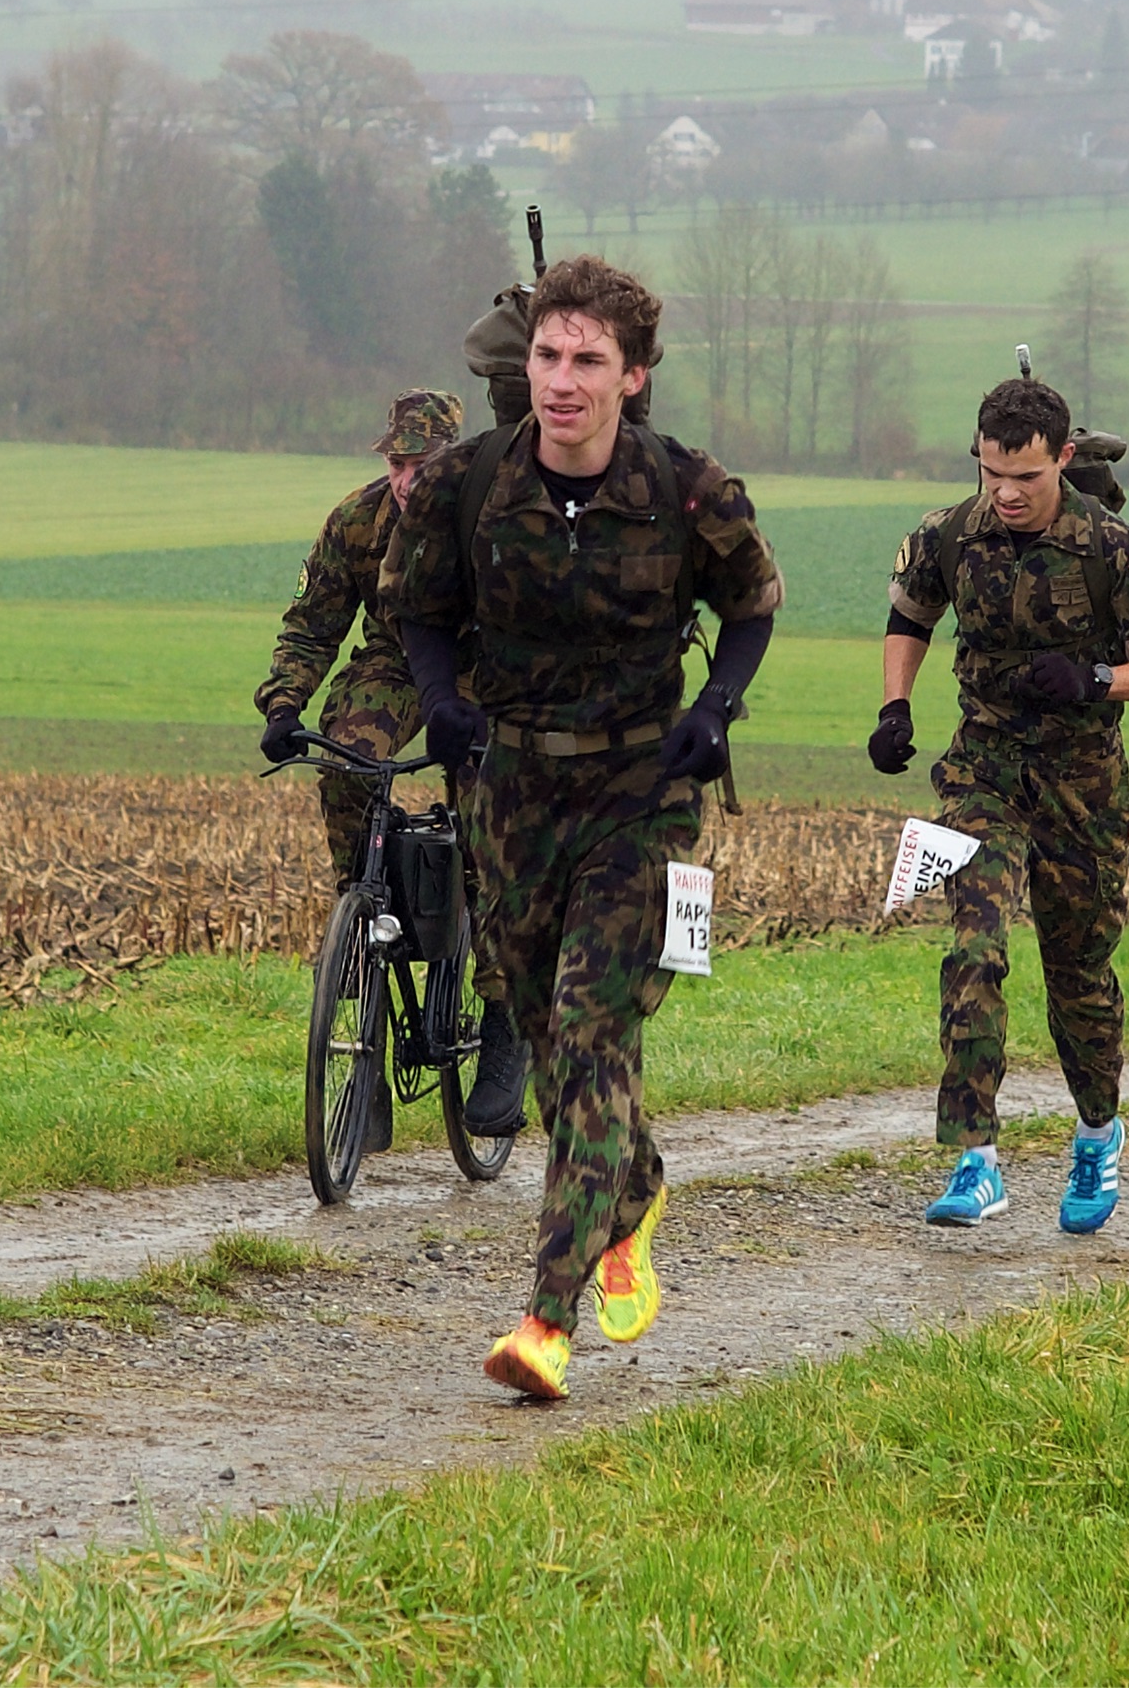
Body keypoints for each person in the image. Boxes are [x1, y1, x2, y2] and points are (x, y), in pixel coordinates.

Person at [379, 254, 784, 1401]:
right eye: (550, 355)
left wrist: (716, 707)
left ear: (633, 376)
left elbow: (754, 599)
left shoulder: (689, 490)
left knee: (588, 1027)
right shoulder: (466, 484)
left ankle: (546, 1322)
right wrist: (445, 699)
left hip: (638, 799)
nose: (563, 380)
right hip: (509, 793)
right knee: (555, 1049)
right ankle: (635, 1185)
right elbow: (418, 606)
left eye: (588, 361)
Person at [872, 377, 1129, 1236]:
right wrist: (895, 707)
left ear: (1062, 458)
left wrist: (1093, 678)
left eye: (1024, 477)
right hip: (982, 773)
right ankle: (973, 1158)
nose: (1006, 494)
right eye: (990, 475)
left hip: (1084, 789)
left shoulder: (1117, 548)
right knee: (974, 949)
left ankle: (1096, 1131)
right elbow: (909, 614)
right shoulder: (949, 533)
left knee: (1078, 975)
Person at [254, 389, 515, 1154]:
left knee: (490, 816)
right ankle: (364, 938)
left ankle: (503, 1020)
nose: (405, 479)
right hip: (398, 661)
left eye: (421, 463)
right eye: (397, 463)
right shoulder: (357, 522)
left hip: (483, 672)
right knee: (347, 755)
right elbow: (312, 624)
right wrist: (283, 703)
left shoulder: (495, 521)